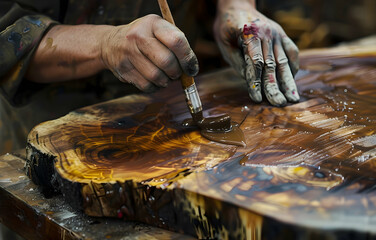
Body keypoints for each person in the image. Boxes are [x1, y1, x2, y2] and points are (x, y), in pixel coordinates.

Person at [0, 0, 299, 154]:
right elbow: (6, 35)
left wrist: (236, 7)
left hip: (169, 111)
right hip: (51, 126)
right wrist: (105, 44)